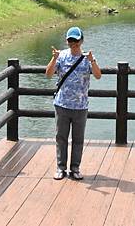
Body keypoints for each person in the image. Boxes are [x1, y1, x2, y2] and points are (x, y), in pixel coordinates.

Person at [45, 26, 102, 180]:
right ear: (67, 41)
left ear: (81, 40)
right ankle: (60, 168)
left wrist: (93, 61)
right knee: (61, 137)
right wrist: (54, 58)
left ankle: (75, 168)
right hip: (62, 104)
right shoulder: (61, 56)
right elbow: (48, 74)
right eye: (70, 40)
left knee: (78, 139)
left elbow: (98, 76)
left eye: (76, 40)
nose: (73, 43)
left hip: (81, 106)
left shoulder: (87, 58)